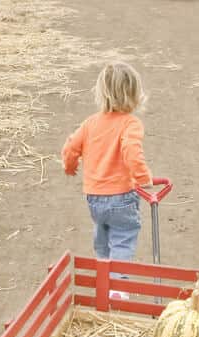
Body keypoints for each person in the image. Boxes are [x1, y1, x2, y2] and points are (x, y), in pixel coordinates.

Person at [61, 61, 152, 299]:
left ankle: (104, 278)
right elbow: (131, 150)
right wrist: (143, 179)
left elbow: (71, 147)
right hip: (122, 196)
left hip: (94, 198)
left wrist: (70, 167)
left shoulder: (90, 123)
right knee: (123, 238)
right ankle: (119, 288)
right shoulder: (130, 123)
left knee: (102, 237)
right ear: (134, 94)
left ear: (102, 93)